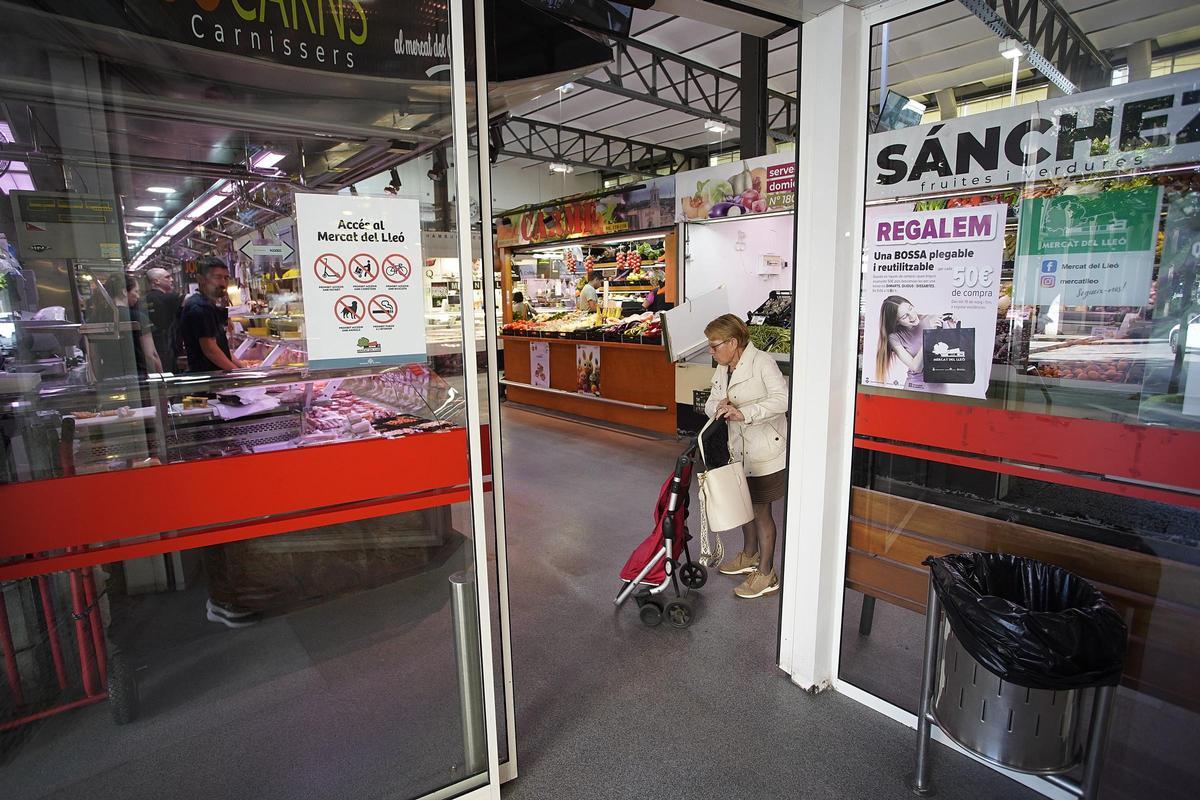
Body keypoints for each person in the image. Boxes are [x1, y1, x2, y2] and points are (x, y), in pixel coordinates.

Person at [703, 314, 789, 599]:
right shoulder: (723, 367)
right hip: (737, 449)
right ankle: (749, 555)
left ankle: (766, 573)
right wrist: (719, 406)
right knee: (744, 505)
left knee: (761, 512)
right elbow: (712, 400)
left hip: (765, 450)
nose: (710, 351)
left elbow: (781, 399)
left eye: (714, 345)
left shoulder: (763, 362)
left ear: (733, 342)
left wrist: (745, 413)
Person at [86, 274, 161, 379]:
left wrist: (100, 380)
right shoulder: (137, 317)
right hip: (137, 378)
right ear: (124, 291)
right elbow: (151, 355)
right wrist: (161, 379)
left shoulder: (95, 319)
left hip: (109, 378)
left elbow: (94, 357)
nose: (138, 296)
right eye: (136, 291)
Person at [181, 256, 245, 372]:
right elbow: (210, 349)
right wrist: (237, 373)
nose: (223, 283)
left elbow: (221, 348)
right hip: (209, 381)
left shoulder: (208, 305)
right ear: (200, 279)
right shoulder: (200, 307)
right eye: (217, 277)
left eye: (226, 278)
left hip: (217, 377)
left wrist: (243, 369)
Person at [874, 294, 945, 390]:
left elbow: (949, 349)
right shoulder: (895, 338)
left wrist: (953, 324)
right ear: (897, 322)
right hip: (916, 386)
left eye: (910, 308)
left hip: (940, 384)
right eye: (904, 317)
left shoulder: (931, 319)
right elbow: (916, 367)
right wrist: (928, 335)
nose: (912, 316)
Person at [143, 267, 182, 371]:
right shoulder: (169, 298)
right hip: (165, 348)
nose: (172, 280)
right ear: (156, 281)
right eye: (167, 277)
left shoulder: (142, 300)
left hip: (149, 348)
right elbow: (190, 300)